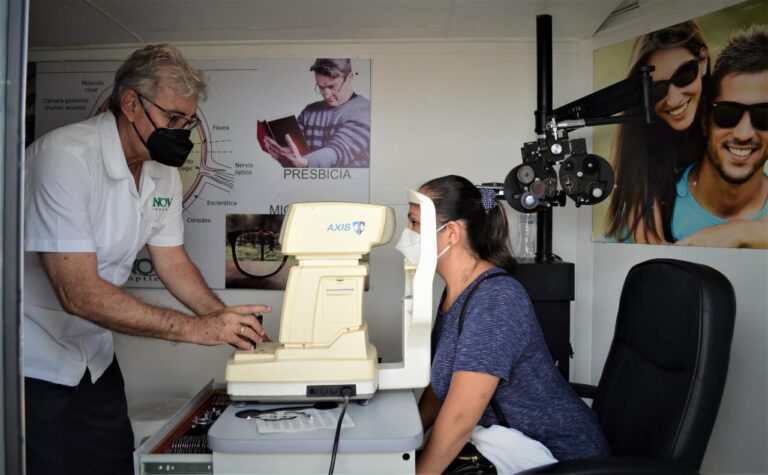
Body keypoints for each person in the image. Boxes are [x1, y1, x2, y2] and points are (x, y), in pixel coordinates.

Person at [23, 44, 271, 475]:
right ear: (131, 104)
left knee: (115, 463)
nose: (182, 132)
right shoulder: (64, 158)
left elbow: (172, 261)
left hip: (92, 357)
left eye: (188, 121)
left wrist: (226, 321)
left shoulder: (162, 172)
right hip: (31, 359)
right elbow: (77, 293)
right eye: (173, 118)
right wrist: (196, 330)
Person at [407, 175, 608, 474]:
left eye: (414, 223)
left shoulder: (496, 299)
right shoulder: (456, 293)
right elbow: (441, 389)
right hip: (503, 447)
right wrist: (401, 441)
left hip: (558, 460)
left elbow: (460, 418)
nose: (407, 234)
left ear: (450, 233)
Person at [603, 21, 710, 243]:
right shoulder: (639, 131)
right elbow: (649, 241)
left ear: (703, 60)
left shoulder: (727, 106)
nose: (673, 99)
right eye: (657, 90)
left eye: (683, 76)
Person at [672, 26, 768, 248]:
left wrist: (742, 231)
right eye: (728, 113)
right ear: (705, 120)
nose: (744, 134)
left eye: (764, 115)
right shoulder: (652, 207)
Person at [263, 58, 370, 168]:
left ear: (349, 77)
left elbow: (339, 150)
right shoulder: (309, 112)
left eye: (332, 86)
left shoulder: (365, 111)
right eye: (321, 87)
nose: (326, 94)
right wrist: (287, 158)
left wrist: (306, 163)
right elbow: (297, 157)